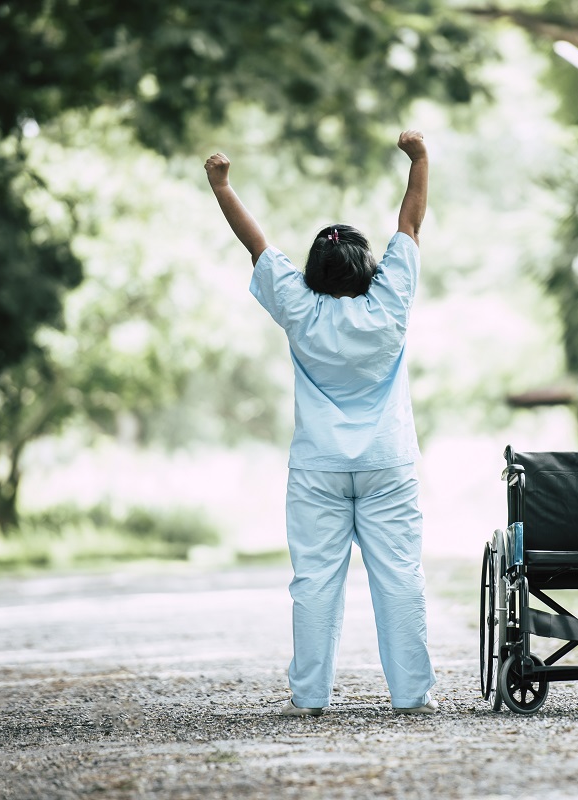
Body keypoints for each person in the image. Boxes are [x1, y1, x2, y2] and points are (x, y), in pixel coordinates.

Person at [204, 130, 437, 716]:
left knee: (314, 582)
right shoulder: (389, 306)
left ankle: (310, 697)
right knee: (400, 581)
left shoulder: (300, 310)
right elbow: (409, 225)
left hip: (318, 468)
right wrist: (419, 159)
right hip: (388, 463)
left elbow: (255, 244)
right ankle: (411, 696)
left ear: (314, 271)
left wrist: (222, 186)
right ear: (368, 269)